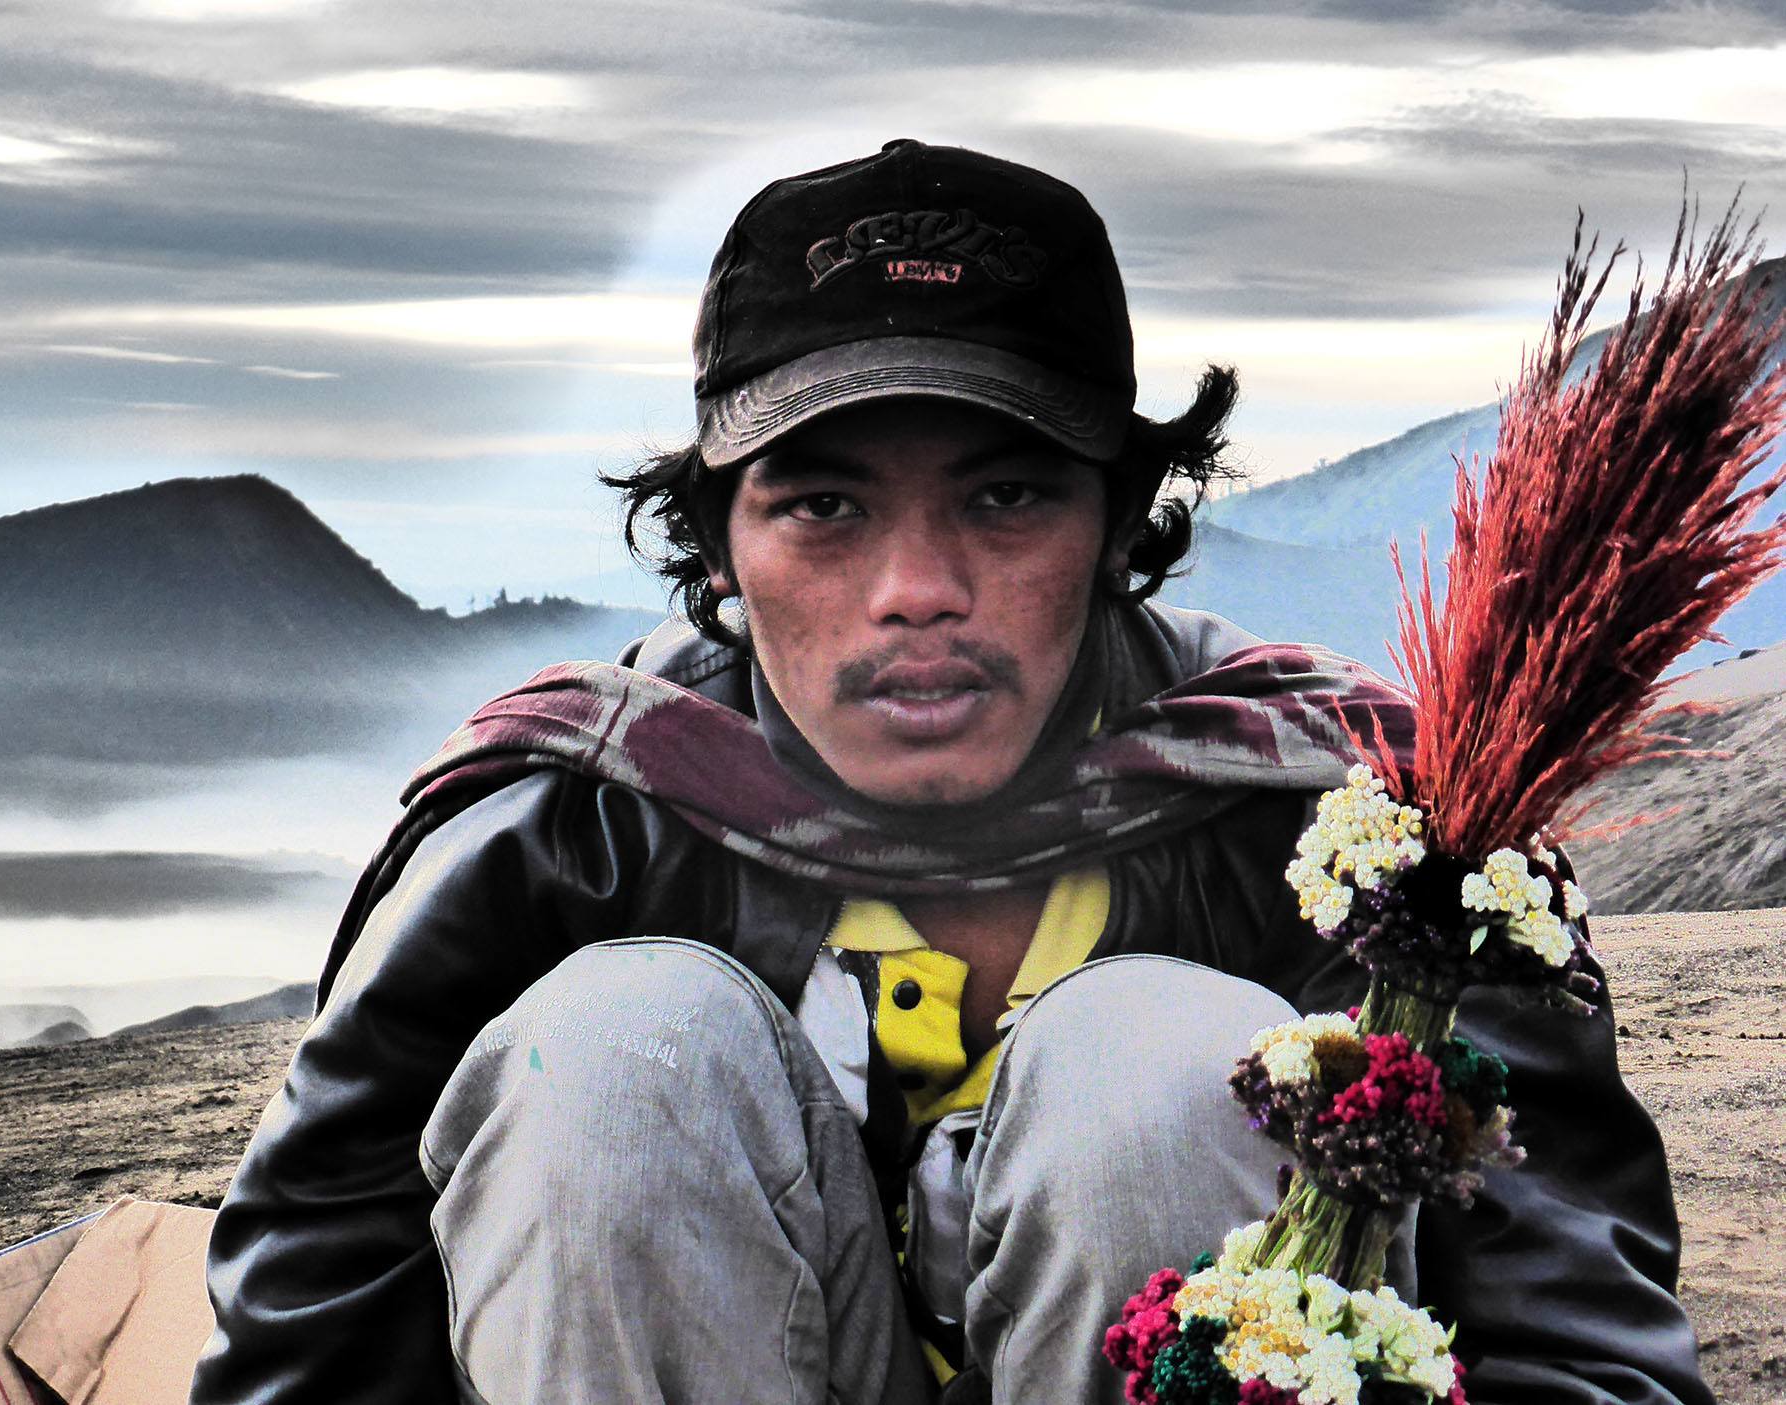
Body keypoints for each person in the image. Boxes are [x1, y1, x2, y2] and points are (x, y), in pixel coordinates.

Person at [187, 141, 1710, 1405]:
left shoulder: (1361, 832)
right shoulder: (575, 819)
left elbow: (1573, 1332)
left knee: (1170, 1066)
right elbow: (318, 1298)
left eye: (1005, 494)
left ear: (1120, 523)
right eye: (826, 505)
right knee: (604, 1057)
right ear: (718, 539)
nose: (916, 587)